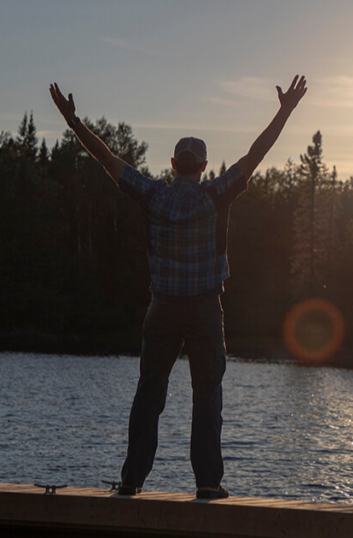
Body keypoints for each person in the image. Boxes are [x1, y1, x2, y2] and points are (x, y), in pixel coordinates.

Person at [48, 75, 307, 500]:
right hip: (205, 309)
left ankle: (132, 480)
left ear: (172, 163)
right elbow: (256, 154)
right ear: (202, 166)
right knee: (207, 395)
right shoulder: (216, 194)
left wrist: (74, 122)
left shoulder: (153, 195)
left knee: (150, 393)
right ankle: (207, 484)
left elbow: (107, 158)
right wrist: (284, 111)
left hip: (163, 309)